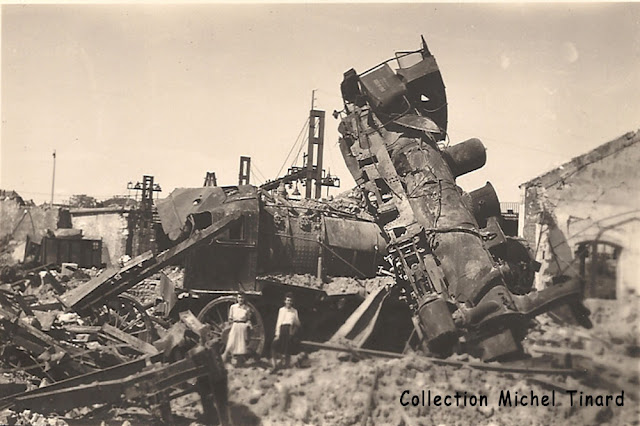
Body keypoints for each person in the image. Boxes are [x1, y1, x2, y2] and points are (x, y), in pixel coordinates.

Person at [271, 293, 301, 369]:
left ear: (292, 302)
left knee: (288, 349)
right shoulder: (281, 310)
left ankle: (286, 365)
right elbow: (279, 322)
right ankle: (275, 364)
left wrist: (293, 330)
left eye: (290, 301)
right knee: (274, 345)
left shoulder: (294, 311)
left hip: (289, 330)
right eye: (287, 300)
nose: (289, 302)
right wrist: (277, 334)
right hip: (282, 329)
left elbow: (297, 322)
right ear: (284, 301)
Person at [222, 292, 252, 365]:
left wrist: (249, 324)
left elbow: (248, 319)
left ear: (244, 299)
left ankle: (239, 362)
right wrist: (231, 325)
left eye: (242, 298)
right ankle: (224, 360)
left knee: (240, 345)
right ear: (237, 298)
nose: (240, 299)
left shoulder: (247, 308)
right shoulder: (233, 307)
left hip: (242, 326)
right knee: (231, 343)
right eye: (239, 297)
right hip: (235, 325)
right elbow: (230, 318)